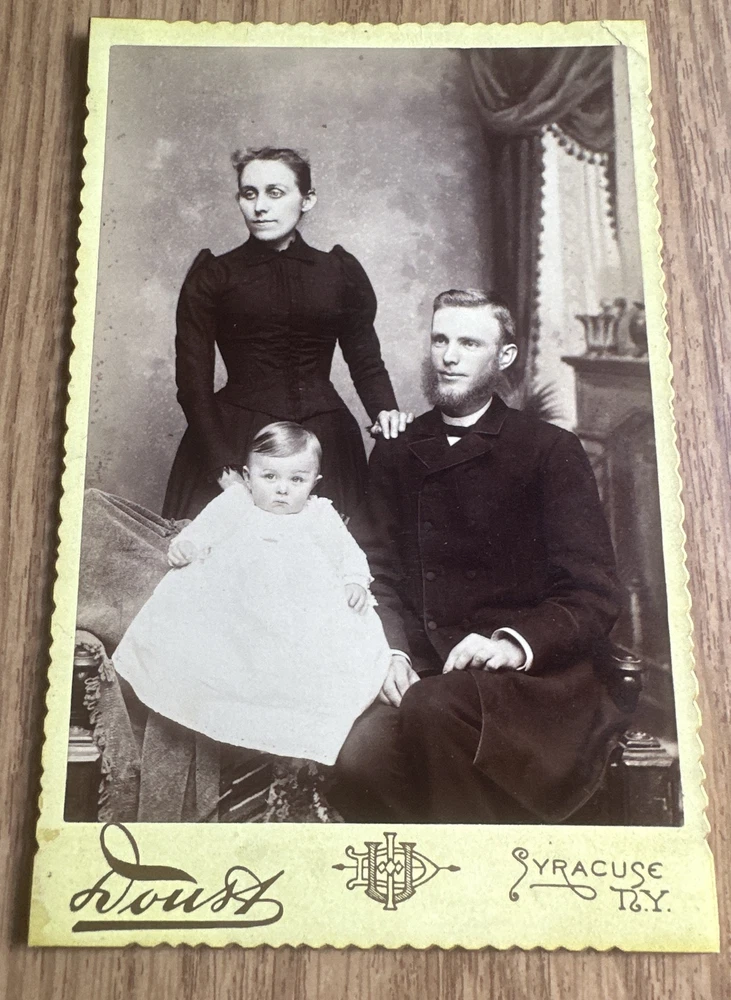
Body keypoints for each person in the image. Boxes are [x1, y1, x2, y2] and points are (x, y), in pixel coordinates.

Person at [335, 289, 627, 824]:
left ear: (505, 356)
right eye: (440, 340)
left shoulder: (549, 449)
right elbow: (373, 570)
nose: (449, 357)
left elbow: (593, 593)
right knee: (360, 760)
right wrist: (392, 652)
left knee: (433, 711)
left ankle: (480, 869)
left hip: (529, 676)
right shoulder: (397, 447)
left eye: (469, 343)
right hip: (424, 666)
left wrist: (513, 645)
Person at [114, 422, 391, 766]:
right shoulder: (237, 502)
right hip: (239, 601)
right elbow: (203, 530)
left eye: (297, 480)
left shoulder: (320, 514)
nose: (282, 490)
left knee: (329, 653)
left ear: (315, 482)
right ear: (248, 476)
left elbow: (349, 553)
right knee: (204, 635)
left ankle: (286, 725)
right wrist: (186, 547)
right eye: (269, 477)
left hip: (299, 611)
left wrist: (354, 581)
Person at [163, 146, 412, 520]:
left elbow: (366, 361)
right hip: (234, 443)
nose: (260, 207)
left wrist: (385, 411)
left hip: (328, 444)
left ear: (307, 199)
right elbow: (192, 384)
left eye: (275, 193)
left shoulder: (338, 272)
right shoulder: (214, 276)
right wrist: (223, 468)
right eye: (249, 194)